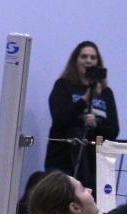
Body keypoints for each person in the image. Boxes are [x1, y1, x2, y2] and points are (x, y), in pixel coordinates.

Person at [45, 41, 120, 190]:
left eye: (93, 57)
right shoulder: (63, 86)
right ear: (76, 60)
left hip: (93, 162)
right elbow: (59, 119)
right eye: (84, 56)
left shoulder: (106, 93)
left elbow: (113, 130)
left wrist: (96, 125)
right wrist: (85, 99)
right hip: (63, 159)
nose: (88, 60)